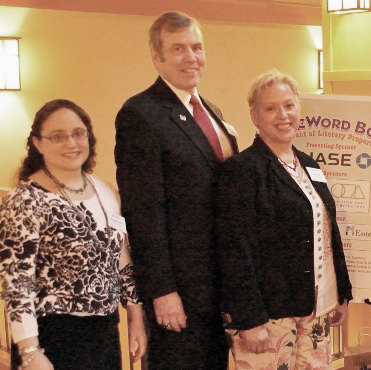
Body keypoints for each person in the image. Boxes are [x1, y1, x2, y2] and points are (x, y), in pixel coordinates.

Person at [114, 11, 238, 369]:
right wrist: (163, 291)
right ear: (157, 57)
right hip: (179, 293)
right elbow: (143, 212)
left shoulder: (210, 111)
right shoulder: (141, 114)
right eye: (179, 48)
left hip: (219, 288)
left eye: (196, 47)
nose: (191, 57)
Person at [216, 70, 352, 369]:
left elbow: (328, 229)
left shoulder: (307, 164)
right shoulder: (242, 170)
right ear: (254, 116)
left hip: (316, 308)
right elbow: (235, 249)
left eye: (289, 105)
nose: (283, 115)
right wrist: (248, 319)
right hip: (269, 316)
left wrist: (342, 291)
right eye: (271, 108)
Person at [0, 99, 146, 369]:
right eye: (58, 137)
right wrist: (30, 351)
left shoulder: (105, 190)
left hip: (104, 333)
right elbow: (17, 284)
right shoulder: (24, 201)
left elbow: (121, 259)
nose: (71, 143)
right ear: (37, 143)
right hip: (53, 337)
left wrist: (135, 317)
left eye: (79, 134)